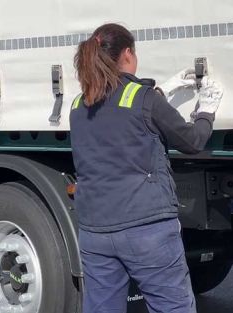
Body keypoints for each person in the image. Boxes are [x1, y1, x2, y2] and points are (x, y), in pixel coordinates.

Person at [69, 23, 223, 313]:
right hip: (145, 230)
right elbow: (192, 141)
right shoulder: (143, 98)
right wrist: (205, 111)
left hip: (94, 231)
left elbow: (115, 118)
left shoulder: (78, 105)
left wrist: (160, 91)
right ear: (127, 54)